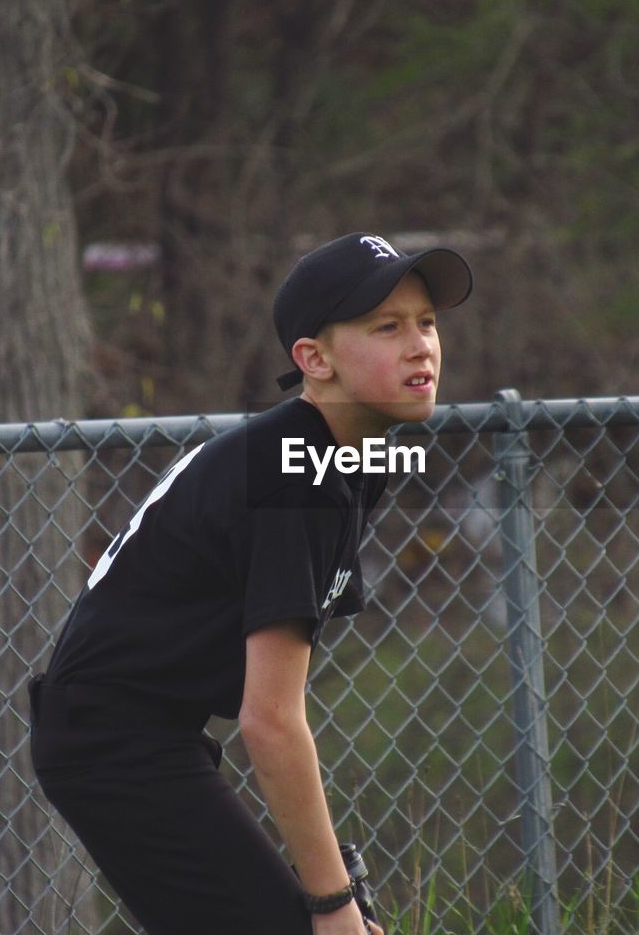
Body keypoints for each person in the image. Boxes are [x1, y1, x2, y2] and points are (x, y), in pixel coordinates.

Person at [28, 232, 473, 935]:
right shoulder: (295, 475)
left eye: (427, 322)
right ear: (313, 360)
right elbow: (269, 718)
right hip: (114, 744)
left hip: (144, 736)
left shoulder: (340, 458)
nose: (421, 345)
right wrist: (333, 907)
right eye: (386, 326)